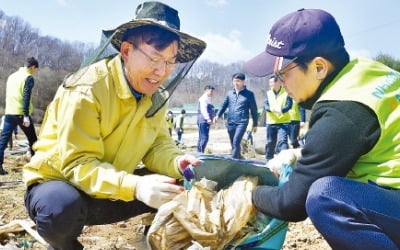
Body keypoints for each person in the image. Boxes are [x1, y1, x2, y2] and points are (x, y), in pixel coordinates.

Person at [23, 2, 206, 249]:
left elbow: (157, 145)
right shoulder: (87, 89)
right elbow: (78, 164)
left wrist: (176, 162)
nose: (161, 71)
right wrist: (137, 186)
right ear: (127, 51)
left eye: (170, 62)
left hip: (114, 186)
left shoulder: (156, 97)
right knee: (58, 208)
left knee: (176, 183)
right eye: (154, 58)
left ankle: (154, 235)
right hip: (66, 185)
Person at [244, 8, 400, 249]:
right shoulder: (365, 73)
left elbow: (291, 204)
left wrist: (249, 192)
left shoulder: (343, 112)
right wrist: (297, 154)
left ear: (319, 67)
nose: (282, 85)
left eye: (282, 75)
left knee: (327, 197)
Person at [0, 57, 39, 175]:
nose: (35, 72)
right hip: (21, 114)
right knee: (33, 140)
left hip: (9, 112)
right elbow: (26, 97)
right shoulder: (28, 78)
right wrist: (26, 115)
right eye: (36, 69)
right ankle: (36, 166)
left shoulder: (12, 76)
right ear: (32, 67)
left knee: (2, 142)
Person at [214, 73, 258, 159]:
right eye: (234, 81)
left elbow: (254, 110)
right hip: (230, 122)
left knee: (236, 142)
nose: (236, 83)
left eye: (238, 81)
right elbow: (223, 105)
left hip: (242, 122)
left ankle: (233, 162)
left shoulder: (249, 94)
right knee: (233, 143)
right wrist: (218, 115)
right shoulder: (230, 94)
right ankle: (238, 158)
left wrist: (255, 124)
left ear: (243, 82)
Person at [264, 76, 292, 160]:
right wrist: (270, 109)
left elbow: (289, 105)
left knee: (282, 141)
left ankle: (284, 160)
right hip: (271, 122)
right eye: (270, 83)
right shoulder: (268, 93)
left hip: (283, 122)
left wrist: (281, 110)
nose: (270, 84)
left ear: (278, 83)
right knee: (270, 142)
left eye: (272, 82)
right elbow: (265, 105)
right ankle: (268, 159)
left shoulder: (286, 92)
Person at [196, 85, 215, 153]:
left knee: (202, 137)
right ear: (206, 90)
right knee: (204, 137)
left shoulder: (208, 99)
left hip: (206, 121)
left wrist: (212, 118)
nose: (212, 93)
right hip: (203, 121)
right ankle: (200, 152)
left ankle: (199, 152)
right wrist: (208, 119)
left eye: (213, 91)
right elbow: (203, 109)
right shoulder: (203, 98)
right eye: (211, 91)